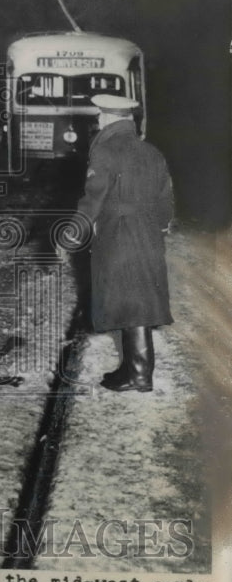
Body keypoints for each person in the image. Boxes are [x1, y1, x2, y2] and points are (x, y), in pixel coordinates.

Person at [71, 93, 174, 392]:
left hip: (118, 233)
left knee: (129, 302)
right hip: (148, 233)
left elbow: (93, 198)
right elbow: (165, 198)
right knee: (138, 299)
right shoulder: (152, 152)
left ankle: (140, 375)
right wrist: (161, 226)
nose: (98, 120)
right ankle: (133, 369)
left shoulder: (105, 150)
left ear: (106, 117)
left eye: (100, 116)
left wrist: (73, 231)